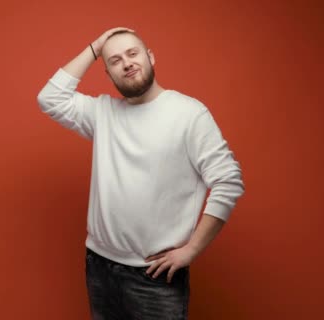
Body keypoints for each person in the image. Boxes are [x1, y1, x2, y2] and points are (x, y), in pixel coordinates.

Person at [37, 27, 245, 319]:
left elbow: (228, 181)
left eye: (133, 53)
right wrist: (96, 47)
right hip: (99, 266)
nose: (127, 62)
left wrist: (192, 250)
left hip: (155, 276)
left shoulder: (189, 114)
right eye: (115, 60)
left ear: (150, 57)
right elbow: (50, 98)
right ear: (108, 74)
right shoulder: (103, 113)